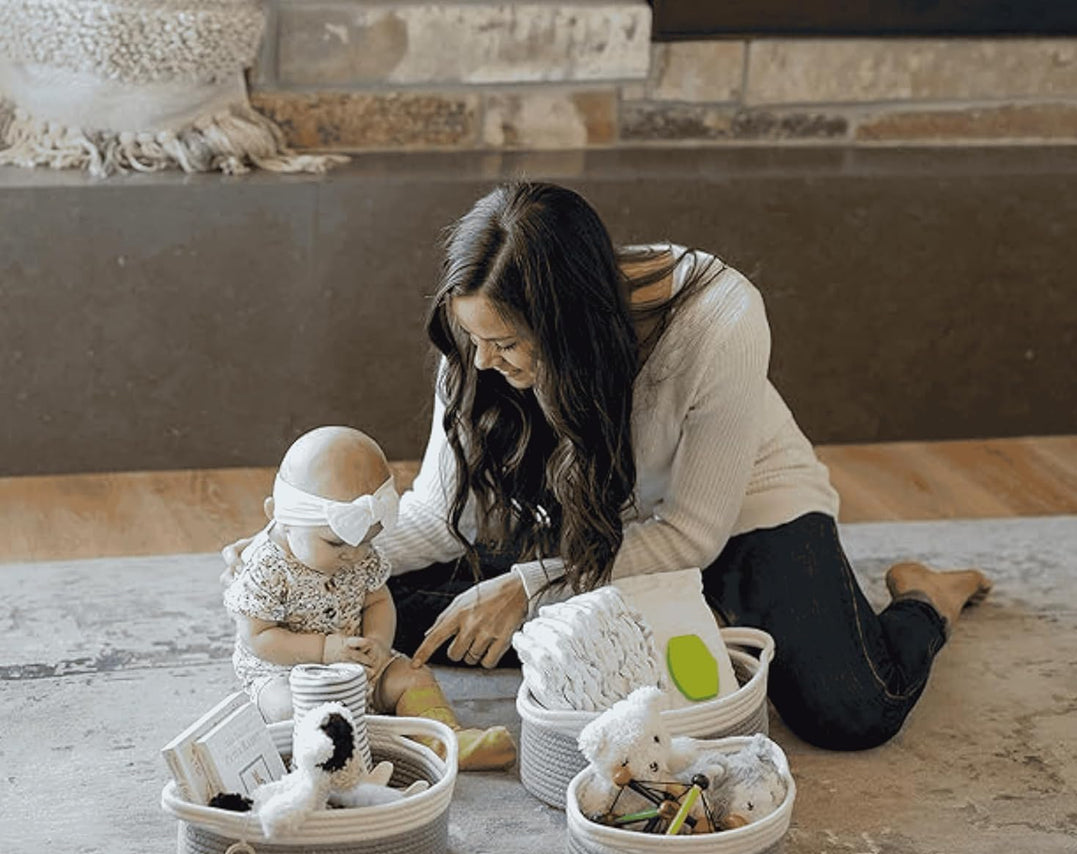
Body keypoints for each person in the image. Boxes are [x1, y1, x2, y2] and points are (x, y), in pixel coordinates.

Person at [224, 182, 989, 752]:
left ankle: (925, 595)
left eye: (506, 345)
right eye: (472, 341)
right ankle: (686, 620)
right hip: (595, 523)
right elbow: (438, 516)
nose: (482, 364)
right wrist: (301, 557)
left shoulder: (720, 319)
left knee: (851, 711)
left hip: (737, 512)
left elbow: (691, 534)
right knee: (374, 600)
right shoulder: (481, 339)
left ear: (571, 328)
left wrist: (531, 587)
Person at [222, 425, 515, 770]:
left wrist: (377, 643)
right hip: (287, 672)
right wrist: (324, 650)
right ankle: (327, 760)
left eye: (367, 540)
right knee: (287, 707)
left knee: (411, 674)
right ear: (280, 517)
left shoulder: (359, 552)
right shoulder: (265, 567)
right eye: (335, 543)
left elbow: (377, 601)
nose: (354, 554)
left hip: (357, 662)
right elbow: (258, 637)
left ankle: (444, 740)